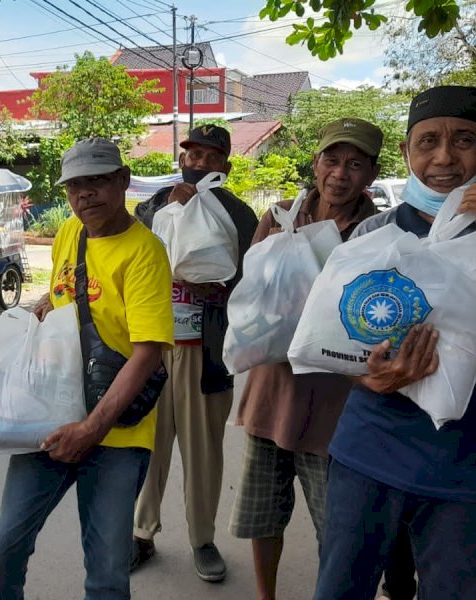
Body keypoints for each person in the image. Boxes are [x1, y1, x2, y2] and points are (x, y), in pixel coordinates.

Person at [0, 138, 174, 600]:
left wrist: (90, 429)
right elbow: (66, 296)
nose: (85, 194)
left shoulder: (144, 252)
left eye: (97, 181)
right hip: (49, 418)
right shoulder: (71, 232)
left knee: (107, 574)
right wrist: (45, 306)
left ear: (123, 180)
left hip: (117, 433)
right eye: (74, 186)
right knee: (3, 551)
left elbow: (148, 353)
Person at [312, 85, 476, 600]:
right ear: (407, 153)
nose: (444, 157)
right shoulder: (373, 235)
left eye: (465, 140)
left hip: (463, 468)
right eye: (428, 141)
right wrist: (366, 376)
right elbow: (331, 342)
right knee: (339, 588)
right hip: (370, 449)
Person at [229, 118, 385, 600]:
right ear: (315, 164)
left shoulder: (379, 232)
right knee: (263, 515)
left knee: (336, 527)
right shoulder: (279, 218)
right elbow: (252, 296)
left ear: (372, 173)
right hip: (271, 392)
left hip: (337, 407)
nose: (340, 174)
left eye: (354, 164)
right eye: (331, 160)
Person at [131, 125, 258, 581]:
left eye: (210, 157)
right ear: (182, 159)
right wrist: (169, 208)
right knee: (147, 447)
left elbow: (254, 279)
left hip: (206, 354)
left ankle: (202, 540)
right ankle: (141, 533)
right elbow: (134, 255)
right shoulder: (154, 204)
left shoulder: (238, 215)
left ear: (226, 165)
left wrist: (220, 290)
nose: (199, 163)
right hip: (151, 350)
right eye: (193, 154)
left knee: (203, 454)